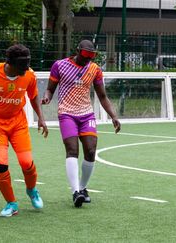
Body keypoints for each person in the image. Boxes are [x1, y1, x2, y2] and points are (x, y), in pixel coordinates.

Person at [42, 39, 121, 208]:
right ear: (78, 51)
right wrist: (47, 97)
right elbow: (50, 88)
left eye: (92, 56)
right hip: (67, 113)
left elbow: (102, 96)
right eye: (85, 55)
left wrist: (113, 116)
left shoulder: (94, 69)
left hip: (86, 114)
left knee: (91, 150)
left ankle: (83, 188)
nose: (88, 59)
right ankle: (75, 191)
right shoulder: (60, 65)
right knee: (72, 150)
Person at [0, 44, 48, 217]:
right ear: (10, 63)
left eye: (28, 64)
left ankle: (32, 190)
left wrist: (41, 119)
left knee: (26, 162)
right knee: (0, 163)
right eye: (22, 65)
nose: (26, 68)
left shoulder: (29, 74)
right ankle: (11, 203)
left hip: (18, 124)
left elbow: (34, 96)